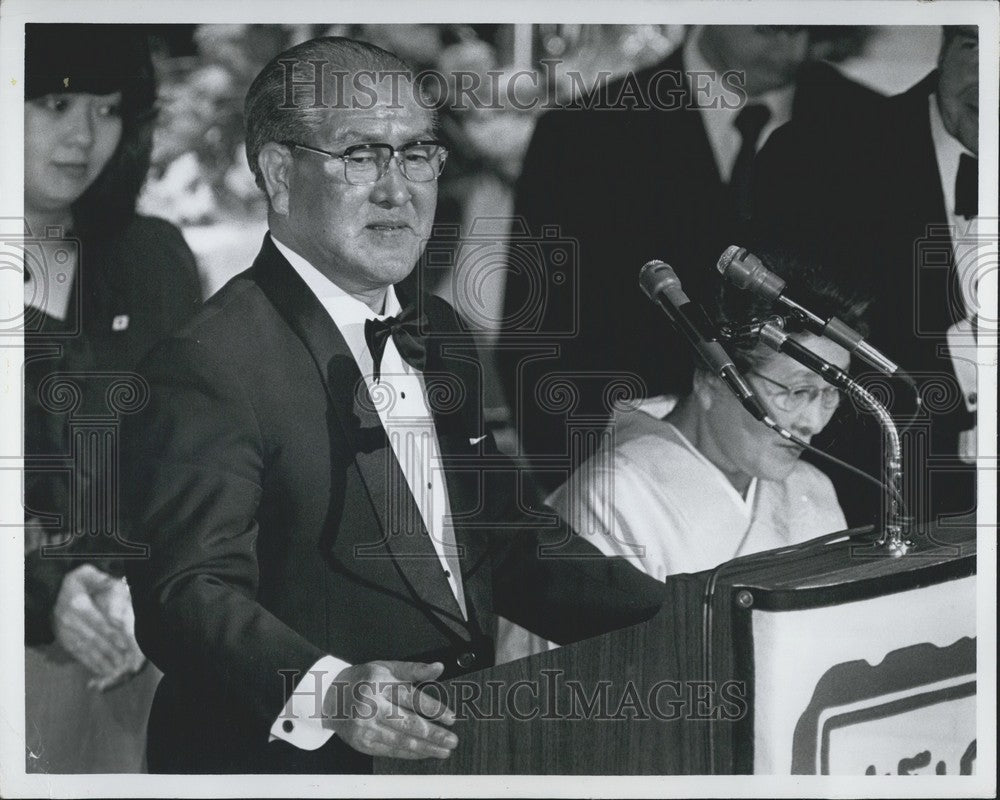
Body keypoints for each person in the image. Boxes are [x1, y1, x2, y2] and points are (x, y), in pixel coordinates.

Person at [121, 35, 666, 775]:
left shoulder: (439, 333)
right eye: (360, 156)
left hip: (450, 756)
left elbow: (506, 539)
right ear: (278, 173)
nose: (397, 189)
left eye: (415, 154)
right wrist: (332, 692)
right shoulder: (208, 364)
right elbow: (185, 594)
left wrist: (685, 612)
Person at [496, 25, 883, 492]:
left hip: (826, 487)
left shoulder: (873, 126)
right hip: (633, 482)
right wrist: (592, 492)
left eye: (804, 26)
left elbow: (891, 329)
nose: (791, 45)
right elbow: (537, 340)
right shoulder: (583, 133)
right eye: (769, 26)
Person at [497, 255, 861, 661]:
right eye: (796, 392)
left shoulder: (812, 488)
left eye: (830, 393)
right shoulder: (612, 495)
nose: (814, 422)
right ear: (711, 380)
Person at [22, 24, 203, 772]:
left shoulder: (150, 258)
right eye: (56, 104)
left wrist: (158, 580)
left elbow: (201, 458)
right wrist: (39, 591)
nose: (84, 136)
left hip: (143, 648)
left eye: (107, 108)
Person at [751, 26, 980, 526]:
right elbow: (774, 353)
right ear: (943, 47)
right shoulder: (814, 160)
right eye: (974, 45)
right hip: (871, 513)